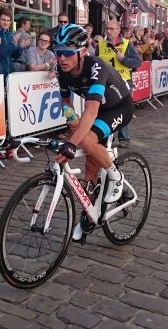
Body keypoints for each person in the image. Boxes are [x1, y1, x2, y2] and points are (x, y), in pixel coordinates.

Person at [50, 24, 133, 241]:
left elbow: (92, 108)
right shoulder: (62, 71)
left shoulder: (96, 67)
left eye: (68, 53)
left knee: (85, 141)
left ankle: (116, 177)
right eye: (58, 53)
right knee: (89, 170)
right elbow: (66, 101)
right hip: (97, 112)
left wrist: (71, 143)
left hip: (119, 107)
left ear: (83, 51)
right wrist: (71, 122)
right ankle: (90, 214)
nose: (62, 59)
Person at [97, 19, 141, 148]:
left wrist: (124, 59)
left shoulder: (127, 45)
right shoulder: (100, 45)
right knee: (104, 110)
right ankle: (105, 137)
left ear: (118, 30)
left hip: (123, 82)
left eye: (112, 29)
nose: (109, 31)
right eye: (107, 29)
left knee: (123, 110)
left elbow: (137, 62)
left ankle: (124, 138)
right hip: (106, 82)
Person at [0, 7, 26, 77]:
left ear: (10, 22)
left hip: (10, 72)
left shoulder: (11, 35)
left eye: (8, 20)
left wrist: (20, 47)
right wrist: (13, 43)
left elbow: (14, 56)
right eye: (3, 20)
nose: (6, 23)